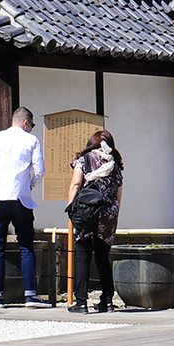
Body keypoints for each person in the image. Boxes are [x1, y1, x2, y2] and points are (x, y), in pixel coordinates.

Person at [0, 106, 45, 307]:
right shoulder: (31, 140)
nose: (32, 128)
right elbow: (39, 170)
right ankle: (30, 294)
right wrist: (30, 184)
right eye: (31, 124)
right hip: (20, 198)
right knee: (26, 245)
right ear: (26, 122)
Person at [65, 129, 122, 313]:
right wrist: (113, 214)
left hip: (87, 212)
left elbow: (75, 184)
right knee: (103, 257)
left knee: (83, 255)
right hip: (108, 214)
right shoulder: (115, 164)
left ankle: (81, 302)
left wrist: (71, 209)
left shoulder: (85, 160)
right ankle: (107, 301)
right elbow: (118, 196)